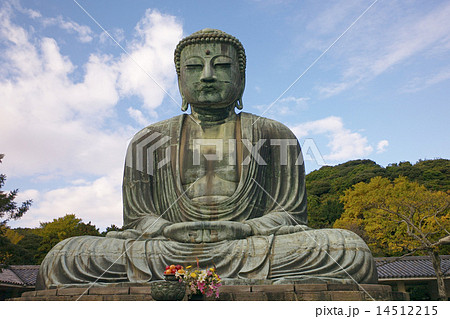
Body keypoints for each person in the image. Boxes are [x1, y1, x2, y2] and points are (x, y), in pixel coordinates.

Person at [36, 29, 377, 289]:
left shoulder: (275, 134)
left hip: (250, 245)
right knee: (65, 257)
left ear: (241, 79)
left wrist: (246, 228)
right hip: (167, 248)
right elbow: (138, 219)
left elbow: (290, 214)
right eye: (195, 67)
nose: (208, 75)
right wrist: (167, 229)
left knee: (348, 250)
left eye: (223, 66)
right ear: (180, 79)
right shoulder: (148, 140)